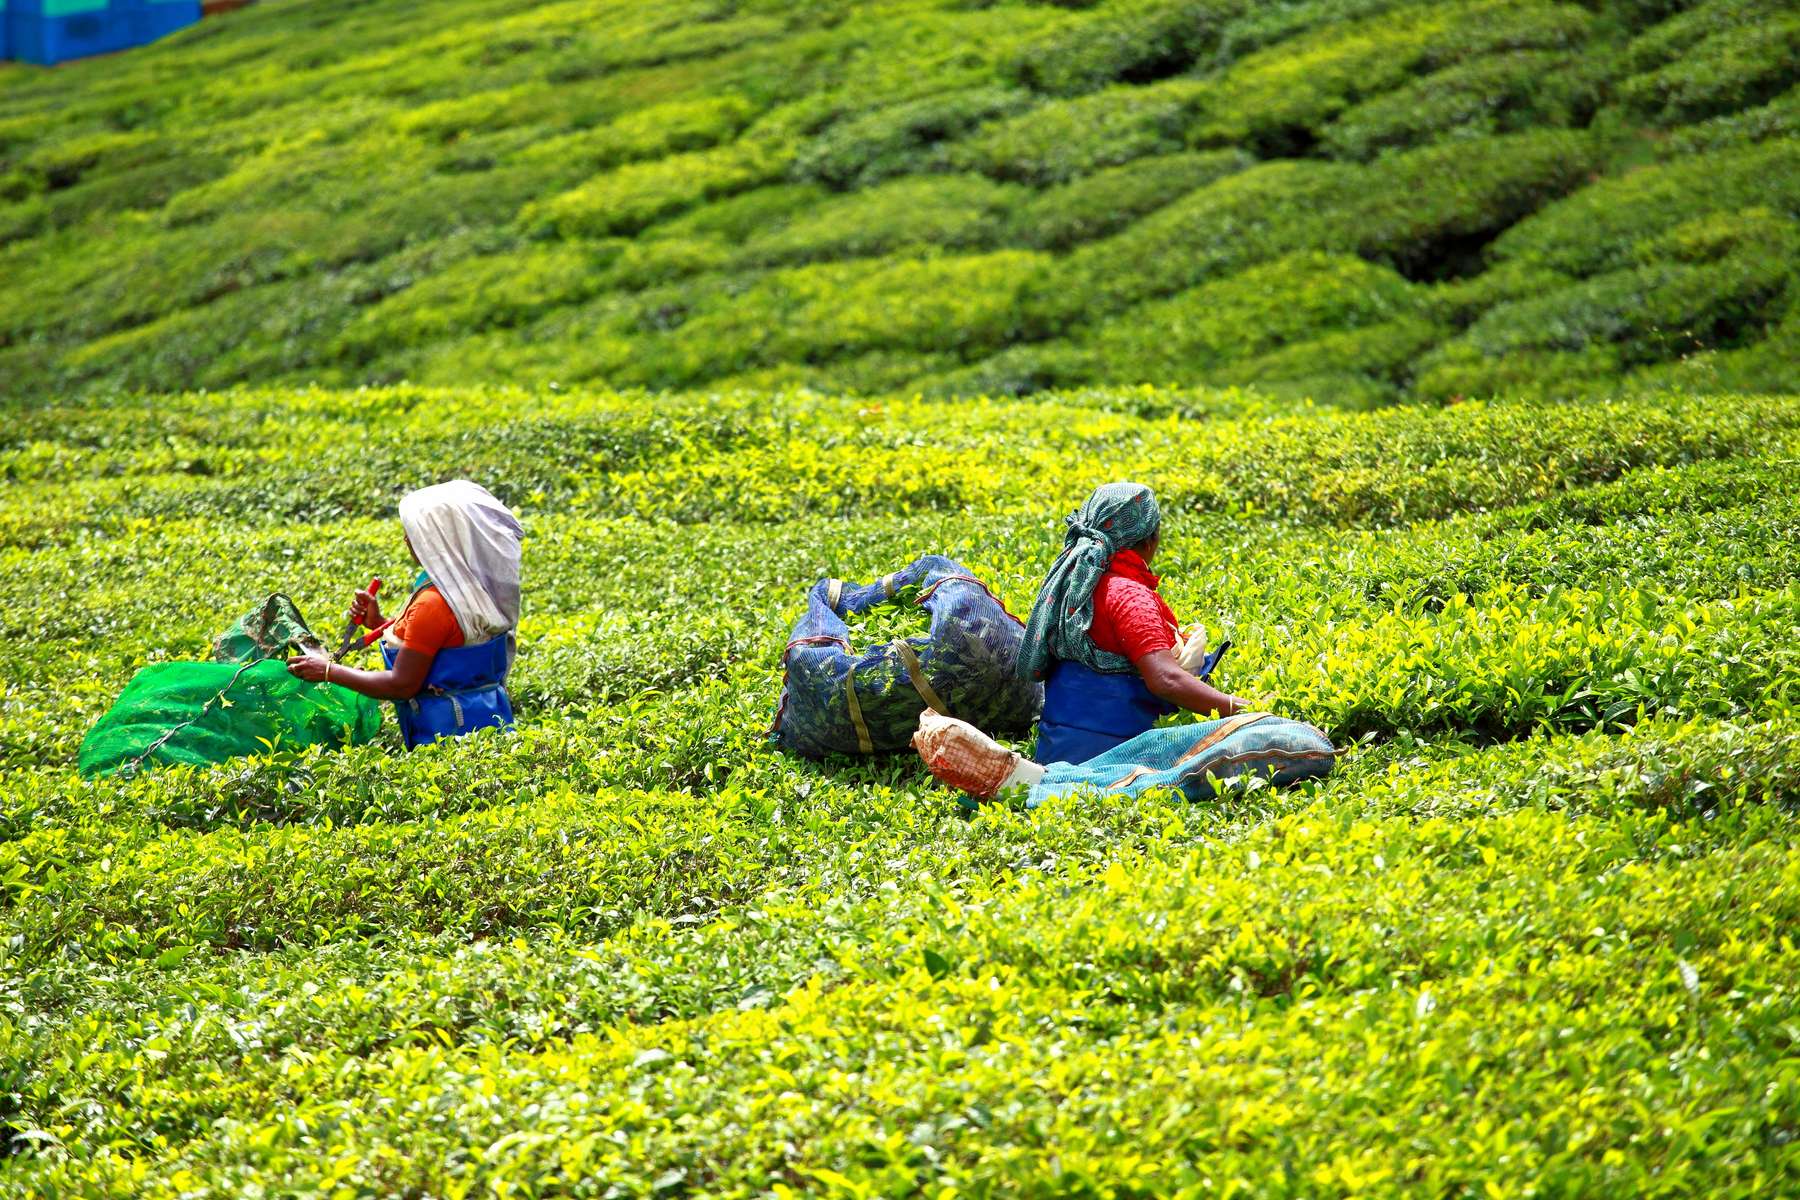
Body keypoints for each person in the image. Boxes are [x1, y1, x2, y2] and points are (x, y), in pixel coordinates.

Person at [1017, 481, 1252, 767]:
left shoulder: (1073, 585)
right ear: (1150, 539)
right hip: (1121, 759)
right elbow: (1165, 680)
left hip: (1057, 752)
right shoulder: (1128, 596)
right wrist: (1244, 710)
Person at [287, 480, 524, 748]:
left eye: (414, 533)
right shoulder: (471, 585)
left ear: (439, 541)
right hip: (490, 726)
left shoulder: (433, 603)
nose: (406, 539)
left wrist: (329, 671)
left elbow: (401, 685)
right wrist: (377, 624)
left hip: (446, 737)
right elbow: (446, 641)